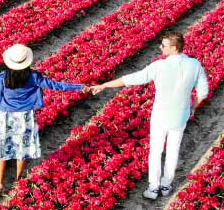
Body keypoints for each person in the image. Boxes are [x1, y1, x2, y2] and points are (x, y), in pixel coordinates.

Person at [89, 32, 209, 200]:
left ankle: (154, 188)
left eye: (163, 45)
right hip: (181, 115)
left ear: (174, 48)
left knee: (156, 151)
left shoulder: (159, 66)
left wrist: (104, 85)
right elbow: (203, 91)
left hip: (160, 115)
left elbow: (132, 78)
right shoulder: (194, 65)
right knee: (173, 150)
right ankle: (166, 185)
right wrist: (193, 107)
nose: (160, 47)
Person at [0, 43, 91, 197]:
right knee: (22, 151)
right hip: (25, 116)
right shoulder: (34, 77)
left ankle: (0, 185)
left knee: (3, 149)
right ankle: (17, 181)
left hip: (5, 116)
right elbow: (56, 86)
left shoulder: (3, 77)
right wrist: (79, 87)